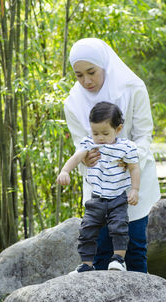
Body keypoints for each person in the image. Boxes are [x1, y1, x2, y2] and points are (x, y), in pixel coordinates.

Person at [64, 38, 160, 273]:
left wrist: (128, 158)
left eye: (91, 72)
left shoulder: (133, 88)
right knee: (101, 247)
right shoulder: (72, 102)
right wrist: (84, 158)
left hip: (132, 181)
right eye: (78, 75)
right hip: (99, 186)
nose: (86, 81)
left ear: (104, 65)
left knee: (135, 245)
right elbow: (80, 144)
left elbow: (144, 134)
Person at [57, 101, 140, 272]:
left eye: (105, 133)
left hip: (118, 196)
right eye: (95, 132)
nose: (100, 137)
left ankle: (118, 259)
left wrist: (135, 189)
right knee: (87, 229)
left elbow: (134, 168)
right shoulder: (89, 143)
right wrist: (65, 171)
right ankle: (87, 264)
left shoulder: (126, 147)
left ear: (118, 129)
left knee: (119, 227)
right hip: (97, 197)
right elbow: (77, 157)